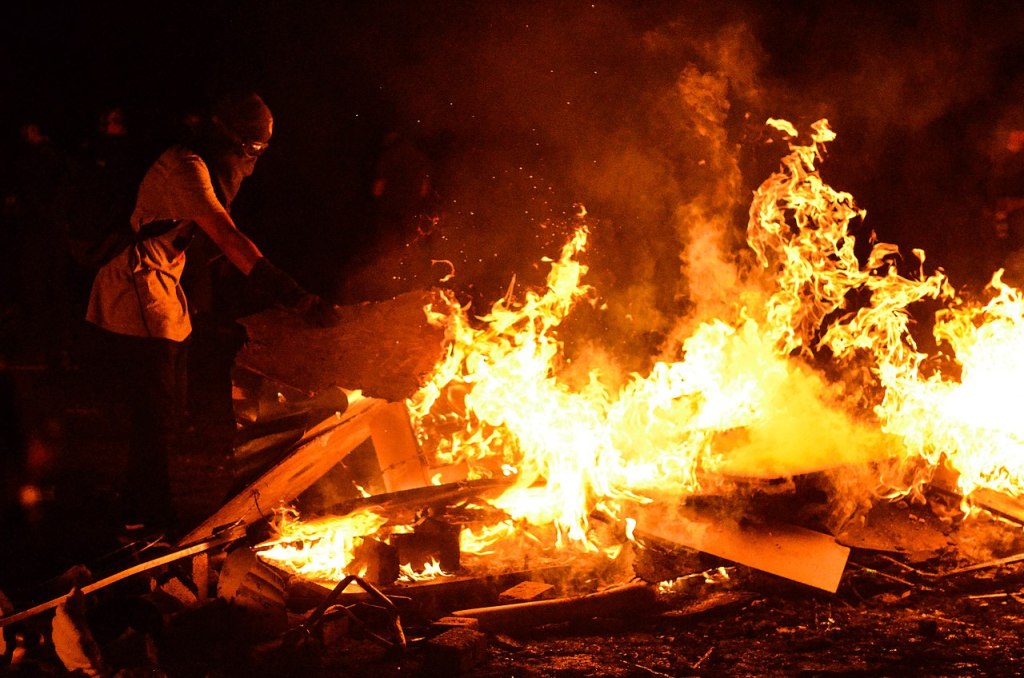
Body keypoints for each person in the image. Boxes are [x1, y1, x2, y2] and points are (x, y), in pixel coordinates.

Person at [84, 91, 337, 536]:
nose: (254, 161)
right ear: (234, 141)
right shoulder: (187, 168)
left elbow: (211, 250)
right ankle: (154, 519)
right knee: (157, 410)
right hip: (135, 284)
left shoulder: (202, 164)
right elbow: (230, 239)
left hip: (160, 283)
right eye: (253, 150)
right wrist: (297, 297)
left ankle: (133, 509)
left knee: (161, 408)